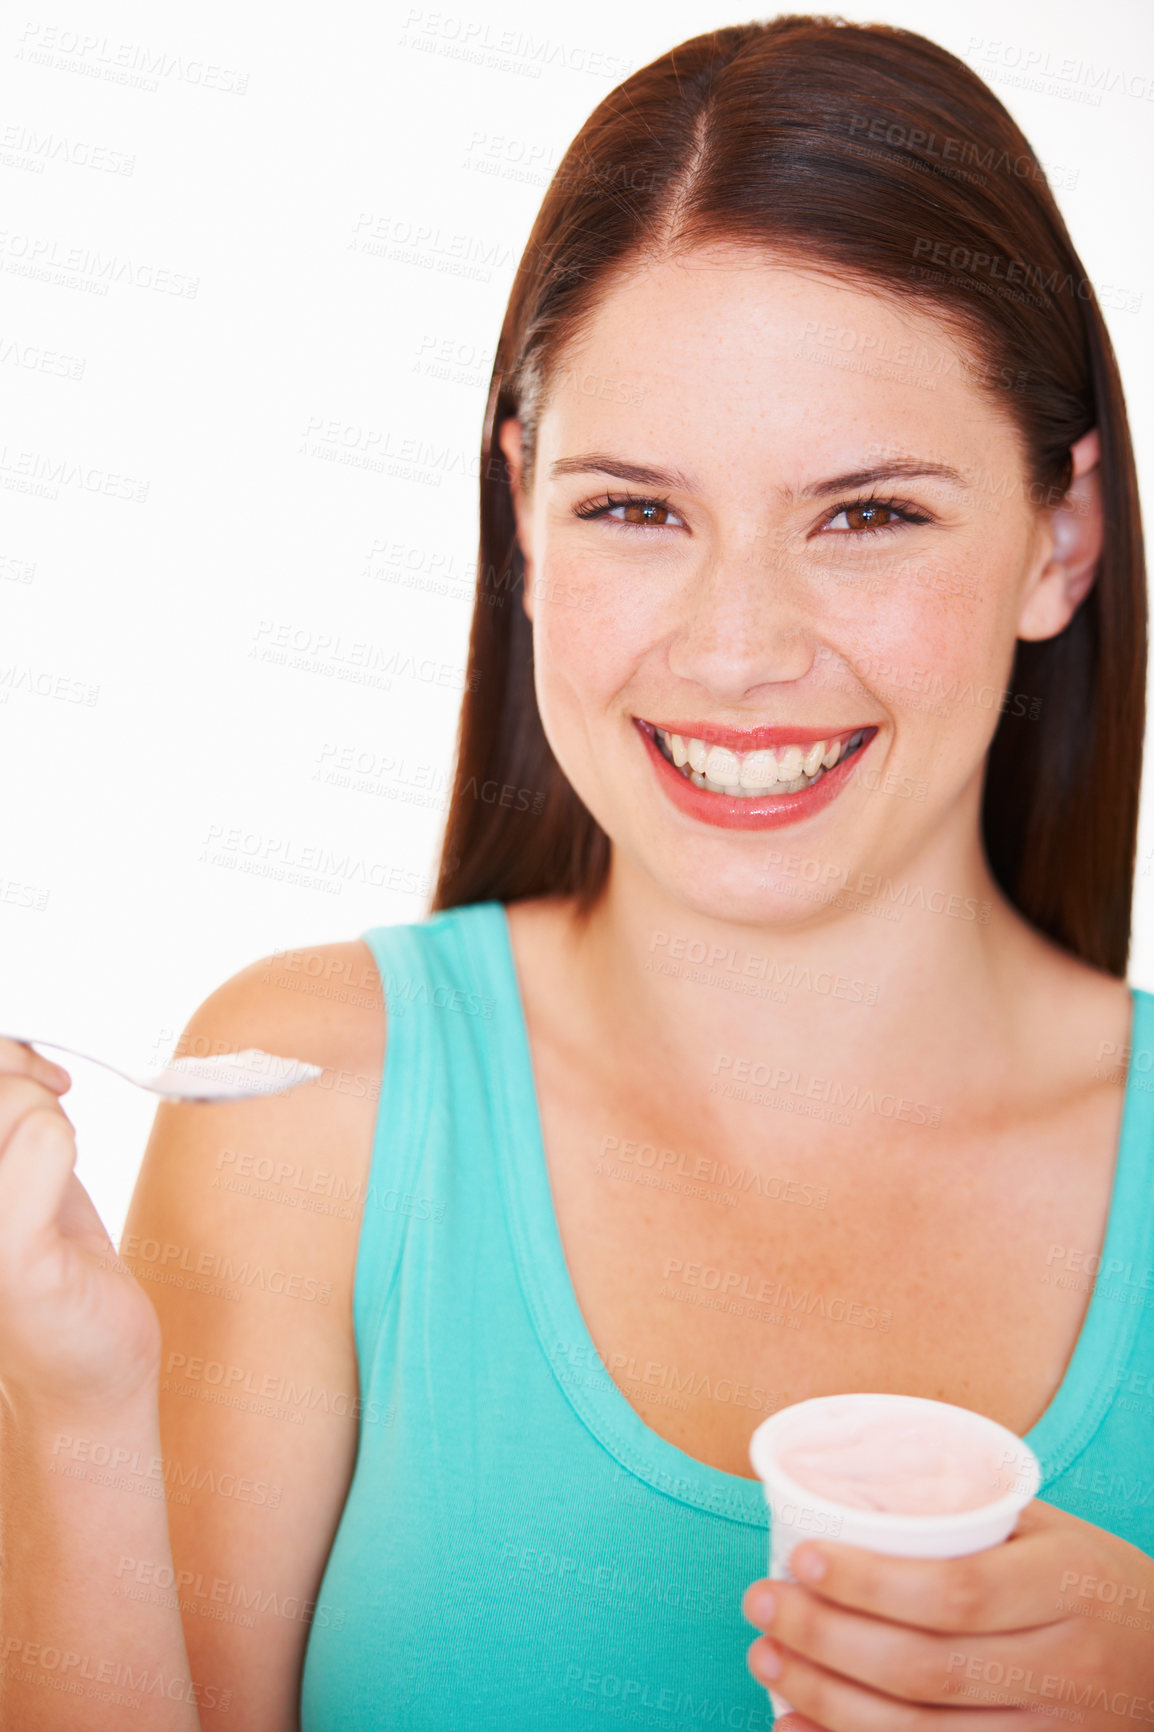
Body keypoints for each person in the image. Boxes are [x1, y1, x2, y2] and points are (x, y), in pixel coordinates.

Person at [2, 14, 1151, 1731]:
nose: (741, 650)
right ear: (524, 513)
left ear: (1059, 539)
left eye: (867, 515)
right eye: (635, 509)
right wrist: (69, 1410)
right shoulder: (312, 1105)